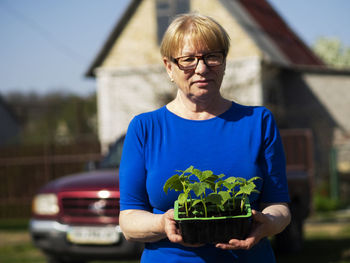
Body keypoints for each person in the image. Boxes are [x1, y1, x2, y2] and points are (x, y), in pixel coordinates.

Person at [119, 13, 291, 263]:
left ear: (224, 61)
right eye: (188, 59)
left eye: (212, 57)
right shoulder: (146, 128)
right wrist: (161, 223)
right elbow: (129, 220)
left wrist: (269, 222)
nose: (201, 68)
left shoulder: (257, 122)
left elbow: (279, 205)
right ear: (169, 67)